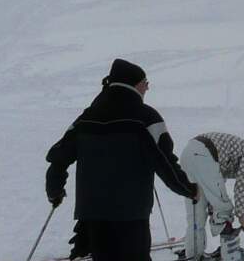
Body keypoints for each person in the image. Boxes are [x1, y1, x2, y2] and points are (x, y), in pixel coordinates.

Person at [46, 59, 199, 261]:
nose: (147, 88)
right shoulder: (146, 117)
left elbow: (59, 156)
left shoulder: (87, 117)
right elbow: (166, 162)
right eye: (146, 82)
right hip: (131, 213)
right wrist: (189, 189)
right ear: (135, 84)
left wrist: (54, 190)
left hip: (93, 212)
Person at [181, 132, 244, 261]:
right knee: (224, 208)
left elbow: (215, 194)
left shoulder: (233, 154)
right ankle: (231, 254)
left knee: (196, 215)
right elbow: (243, 185)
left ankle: (194, 255)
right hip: (204, 155)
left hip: (188, 155)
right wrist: (241, 216)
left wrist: (215, 211)